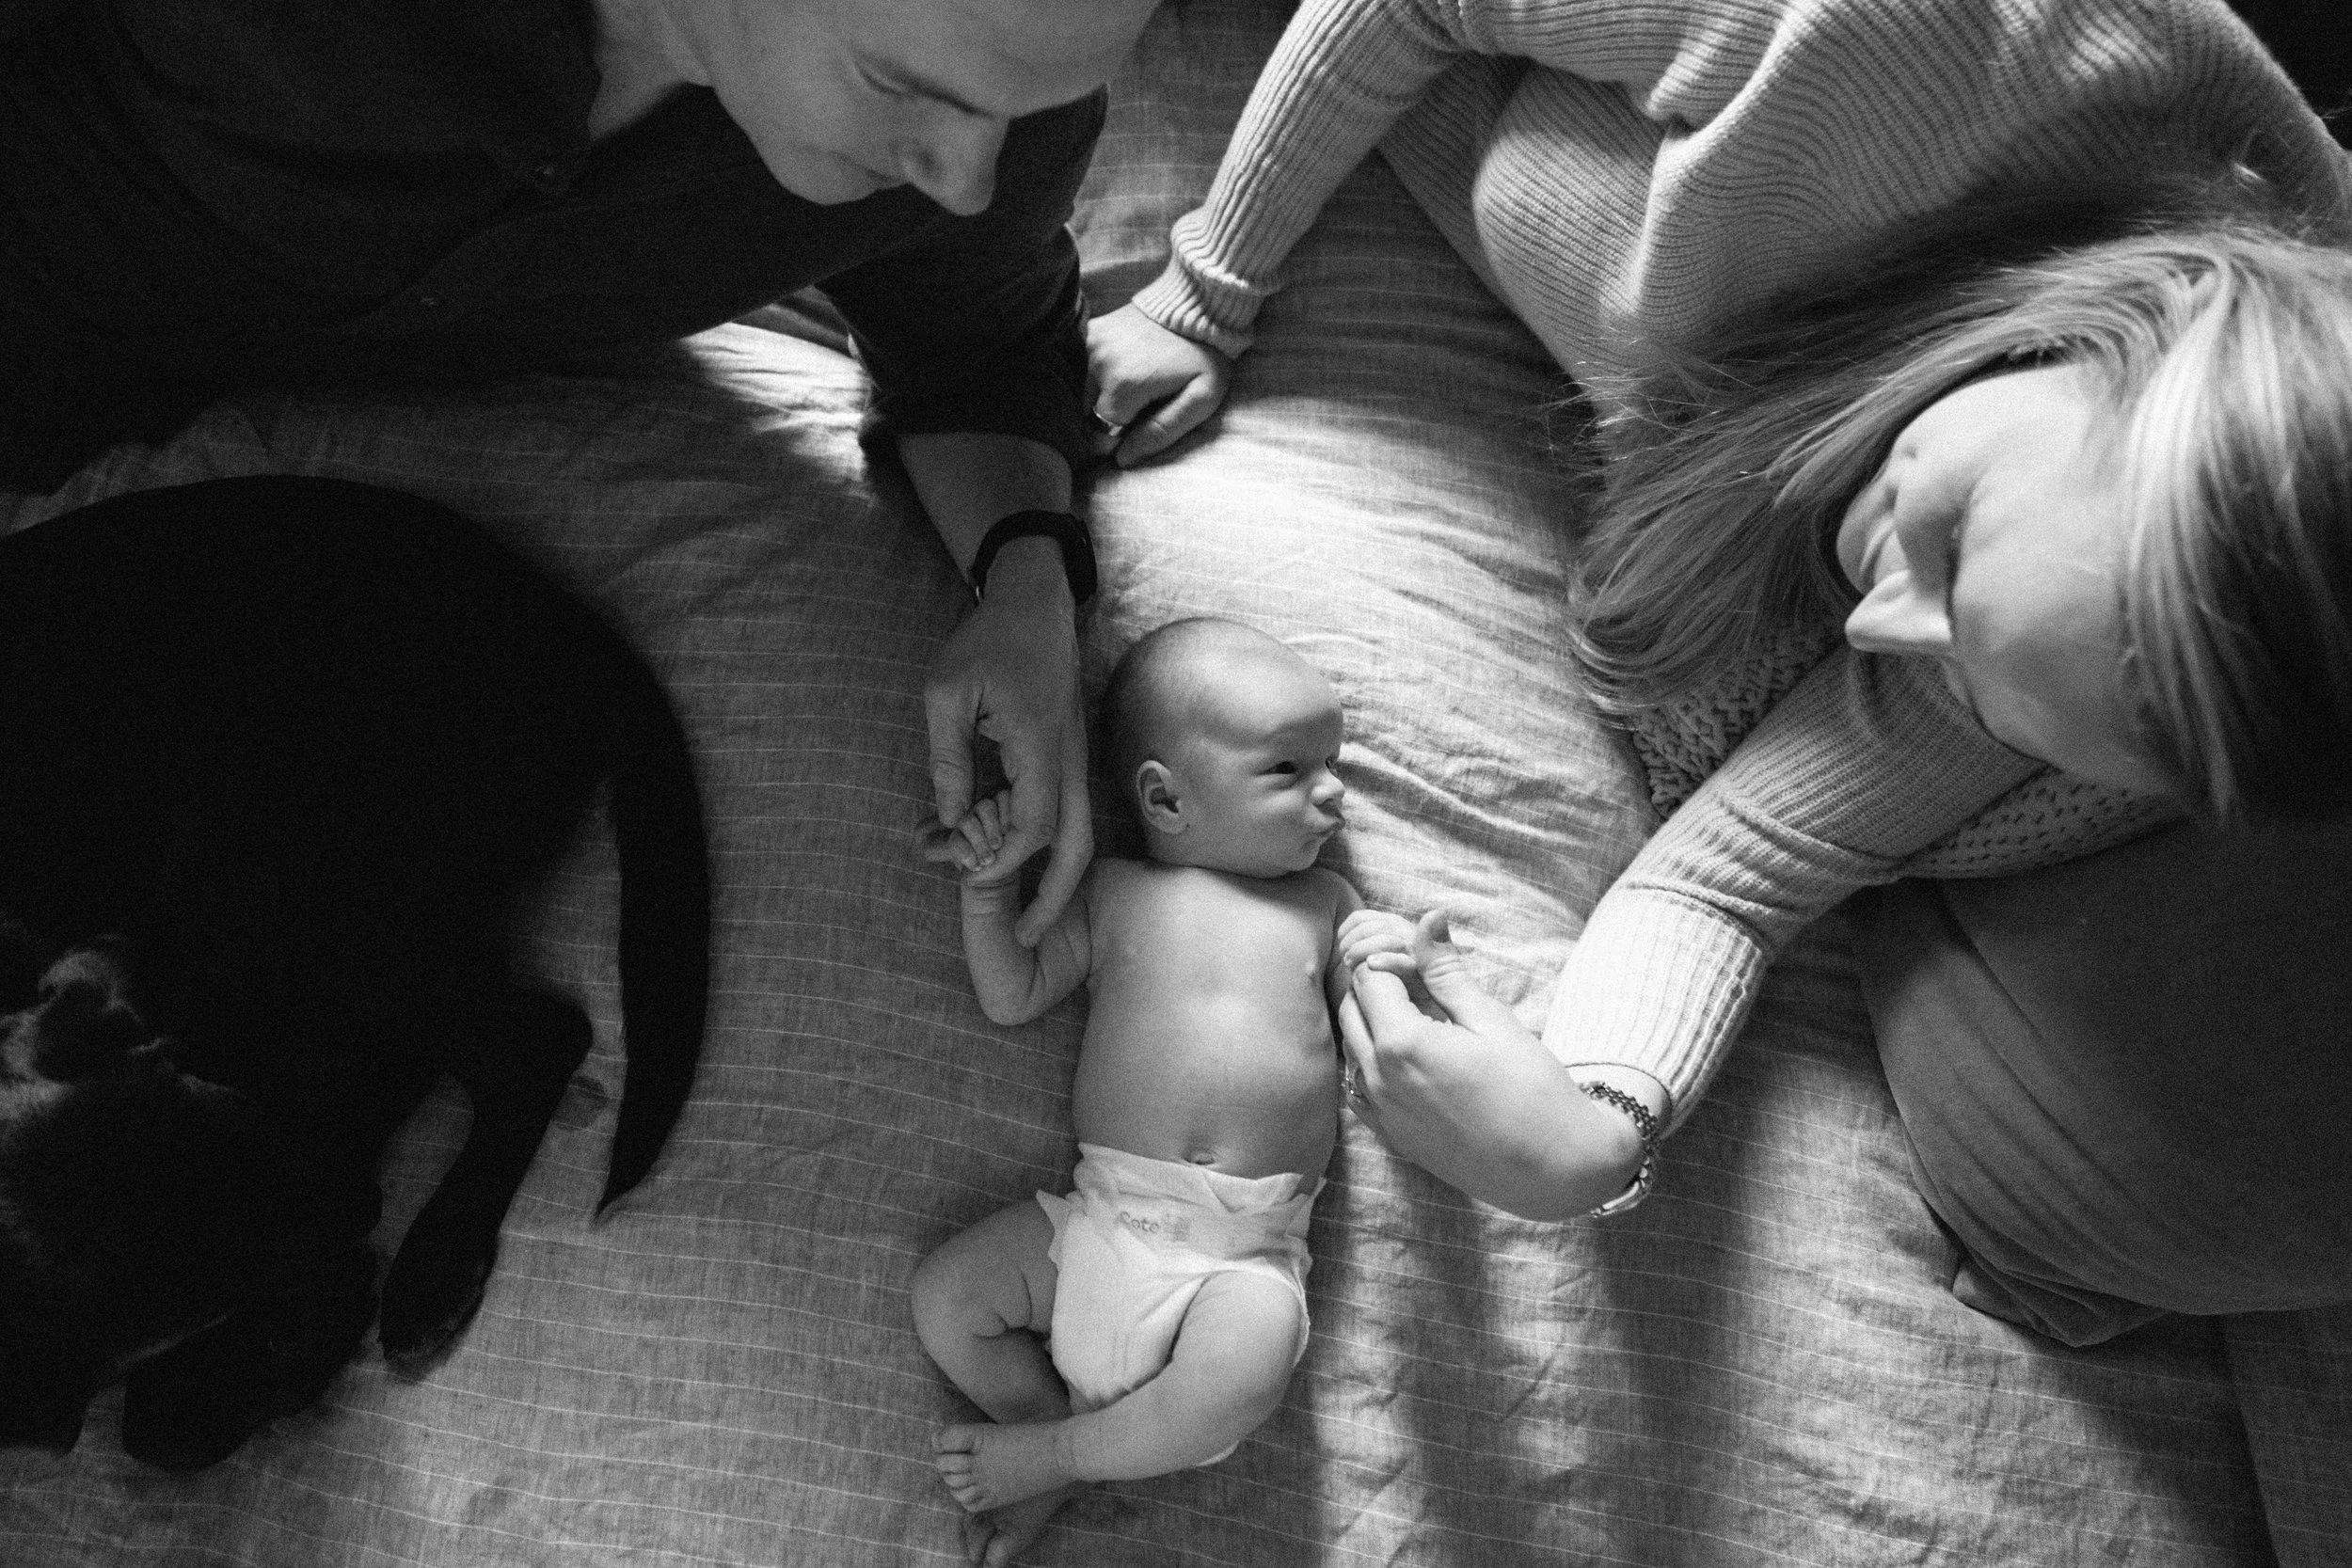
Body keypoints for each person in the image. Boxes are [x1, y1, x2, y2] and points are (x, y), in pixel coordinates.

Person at [1088, 0, 2352, 1336]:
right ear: (2134, 326)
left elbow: (1733, 877)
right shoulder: (1897, 49)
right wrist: (1204, 292)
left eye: (1970, 679)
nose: (1878, 626)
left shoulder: (2087, 640)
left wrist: (1591, 1121)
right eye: (1952, 537)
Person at [2, 0, 1163, 934]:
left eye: (1025, 109)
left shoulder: (986, 121)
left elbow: (983, 353)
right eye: (904, 87)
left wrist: (1025, 583)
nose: (965, 176)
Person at [909, 617, 1416, 1567]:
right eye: (1289, 769)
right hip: (1099, 1224)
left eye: (1333, 760)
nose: (1336, 789)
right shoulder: (1110, 891)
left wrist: (1398, 964)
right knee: (944, 1295)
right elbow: (1011, 991)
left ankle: (1054, 1454)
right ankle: (1040, 1423)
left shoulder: (1329, 907)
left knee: (1247, 1365)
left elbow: (1393, 1043)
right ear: (1165, 797)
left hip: (1242, 1251)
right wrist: (987, 893)